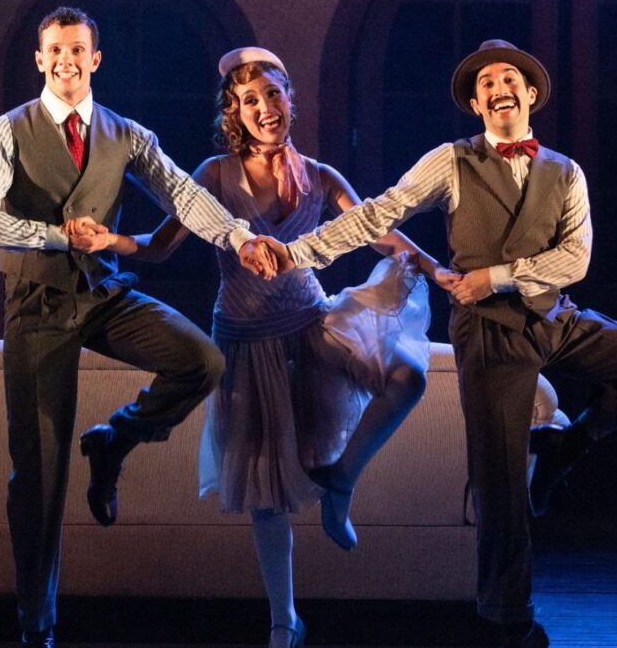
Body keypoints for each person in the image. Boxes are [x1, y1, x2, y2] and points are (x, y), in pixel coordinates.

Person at [256, 40, 617, 648]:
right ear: (476, 103)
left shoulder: (565, 171)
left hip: (552, 315)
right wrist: (298, 251)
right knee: (500, 484)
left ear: (531, 94)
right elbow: (377, 214)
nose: (498, 88)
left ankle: (569, 445)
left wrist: (498, 276)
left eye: (508, 78)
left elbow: (577, 258)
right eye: (485, 84)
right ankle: (506, 619)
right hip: (489, 335)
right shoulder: (451, 161)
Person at [67, 46, 456, 648]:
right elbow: (164, 243)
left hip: (310, 321)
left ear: (289, 99)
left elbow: (375, 229)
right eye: (251, 100)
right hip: (247, 341)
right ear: (235, 112)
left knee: (408, 376)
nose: (265, 108)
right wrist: (112, 240)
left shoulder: (320, 176)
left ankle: (342, 481)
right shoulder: (214, 175)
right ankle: (284, 621)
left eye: (273, 95)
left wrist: (431, 266)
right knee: (265, 488)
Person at [0, 8, 275, 648]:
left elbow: (183, 195)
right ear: (40, 60)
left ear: (95, 60)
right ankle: (35, 624)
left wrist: (238, 238)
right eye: (55, 51)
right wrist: (51, 236)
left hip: (102, 294)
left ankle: (115, 441)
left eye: (78, 50)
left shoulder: (125, 134)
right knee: (41, 475)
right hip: (38, 307)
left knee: (201, 360)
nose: (67, 60)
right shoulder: (9, 131)